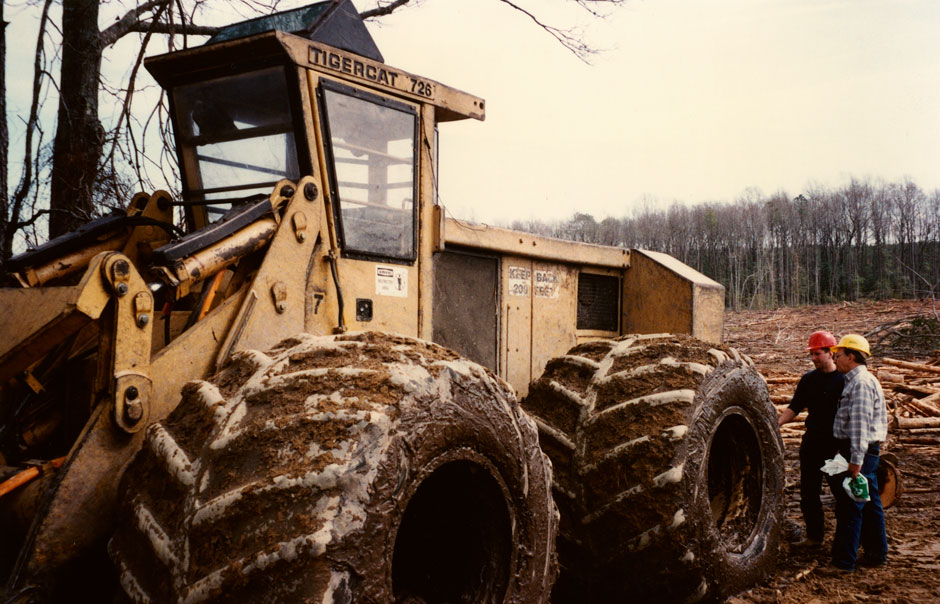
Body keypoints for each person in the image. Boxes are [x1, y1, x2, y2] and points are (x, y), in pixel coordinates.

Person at [820, 333, 889, 575]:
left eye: (838, 356)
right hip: (859, 450)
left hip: (859, 450)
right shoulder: (855, 380)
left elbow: (860, 426)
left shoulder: (860, 384)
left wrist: (855, 463)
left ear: (851, 356)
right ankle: (876, 553)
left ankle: (843, 563)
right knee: (870, 505)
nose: (835, 360)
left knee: (851, 506)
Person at [778, 330, 844, 547]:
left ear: (830, 353)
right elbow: (795, 407)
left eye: (818, 354)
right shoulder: (808, 380)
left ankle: (845, 540)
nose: (814, 359)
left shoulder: (844, 380)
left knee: (840, 492)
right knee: (809, 493)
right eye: (812, 355)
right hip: (812, 445)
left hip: (835, 448)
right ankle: (814, 538)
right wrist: (776, 424)